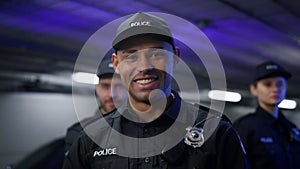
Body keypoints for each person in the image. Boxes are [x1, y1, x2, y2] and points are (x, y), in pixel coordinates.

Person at [63, 12, 250, 169]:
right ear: (116, 64)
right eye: (131, 56)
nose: (144, 66)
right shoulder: (91, 138)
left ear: (176, 57)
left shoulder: (216, 133)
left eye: (157, 54)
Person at [233, 61, 300, 169]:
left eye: (280, 84)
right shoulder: (245, 127)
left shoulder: (291, 129)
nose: (275, 89)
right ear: (254, 89)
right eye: (268, 84)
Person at [64, 52, 127, 154]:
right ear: (97, 88)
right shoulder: (79, 132)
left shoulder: (143, 131)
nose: (112, 94)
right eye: (105, 86)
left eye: (119, 86)